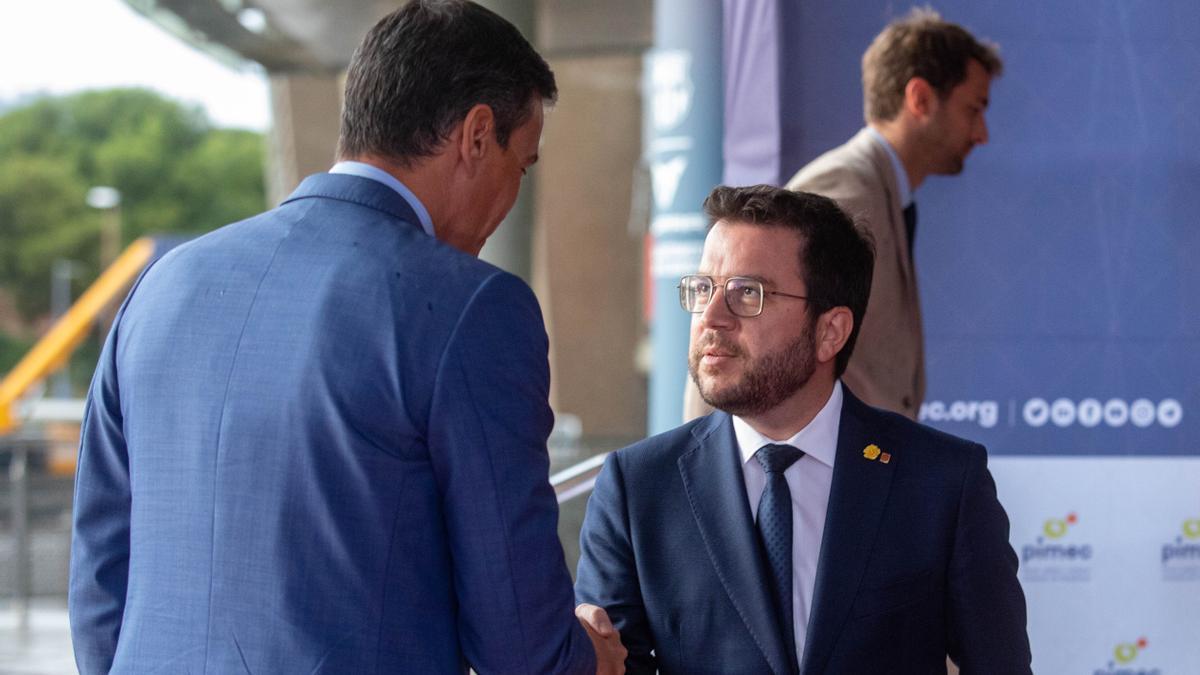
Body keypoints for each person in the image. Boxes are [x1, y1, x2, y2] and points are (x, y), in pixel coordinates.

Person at [69, 2, 623, 673]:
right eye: (524, 163)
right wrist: (587, 655)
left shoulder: (162, 287)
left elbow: (100, 588)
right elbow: (519, 648)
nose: (513, 191)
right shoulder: (473, 309)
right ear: (478, 134)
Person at [577, 185, 1030, 673]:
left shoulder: (942, 483)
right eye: (703, 289)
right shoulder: (636, 488)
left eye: (746, 293)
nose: (711, 317)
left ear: (830, 331)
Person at [684, 8, 1002, 421]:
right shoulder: (844, 190)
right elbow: (737, 353)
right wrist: (704, 467)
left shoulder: (877, 188)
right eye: (973, 109)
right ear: (920, 99)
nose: (982, 134)